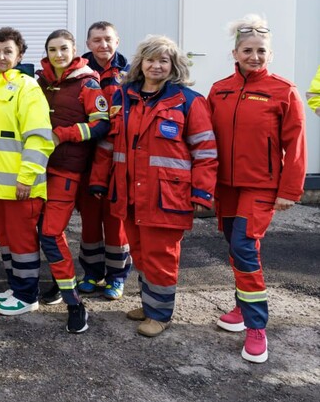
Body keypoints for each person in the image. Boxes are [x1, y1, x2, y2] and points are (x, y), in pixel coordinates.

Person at [90, 35, 217, 338]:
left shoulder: (188, 101)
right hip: (129, 193)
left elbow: (206, 151)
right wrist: (98, 180)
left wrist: (201, 191)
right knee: (141, 252)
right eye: (151, 59)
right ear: (140, 63)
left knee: (161, 256)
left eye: (164, 60)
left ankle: (160, 315)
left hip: (166, 196)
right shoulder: (123, 96)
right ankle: (150, 304)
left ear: (174, 66)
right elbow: (108, 144)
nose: (156, 65)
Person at [208, 16, 307, 363]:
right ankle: (240, 307)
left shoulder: (284, 90)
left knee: (245, 249)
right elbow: (206, 141)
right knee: (235, 249)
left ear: (270, 53)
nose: (254, 56)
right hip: (226, 187)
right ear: (234, 52)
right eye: (247, 50)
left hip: (261, 186)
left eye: (261, 50)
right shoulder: (219, 89)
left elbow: (295, 144)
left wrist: (289, 190)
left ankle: (256, 326)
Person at [0, 27, 55, 318]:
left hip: (20, 184)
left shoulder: (27, 87)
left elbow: (39, 137)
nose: (1, 56)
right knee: (7, 240)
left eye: (8, 51)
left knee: (22, 243)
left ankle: (27, 295)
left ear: (19, 55)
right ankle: (15, 286)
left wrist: (27, 177)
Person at [36, 30, 110, 333]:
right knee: (38, 232)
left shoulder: (88, 83)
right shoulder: (38, 82)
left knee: (50, 233)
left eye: (64, 49)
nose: (58, 55)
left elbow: (102, 125)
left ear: (75, 50)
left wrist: (63, 134)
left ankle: (74, 302)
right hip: (36, 168)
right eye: (52, 49)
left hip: (67, 170)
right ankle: (56, 283)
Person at [77, 21, 131, 298]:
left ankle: (117, 276)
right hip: (86, 159)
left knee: (115, 221)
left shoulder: (131, 74)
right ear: (88, 44)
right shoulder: (79, 72)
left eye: (108, 39)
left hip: (117, 161)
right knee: (89, 221)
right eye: (97, 40)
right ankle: (91, 273)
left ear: (117, 41)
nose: (103, 45)